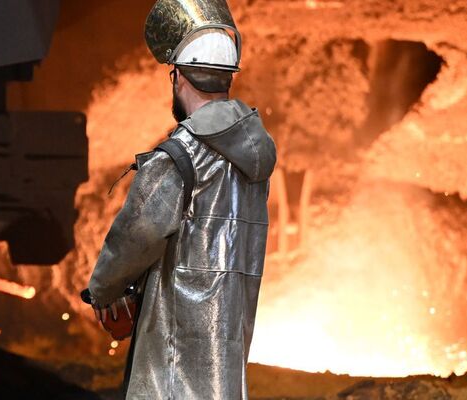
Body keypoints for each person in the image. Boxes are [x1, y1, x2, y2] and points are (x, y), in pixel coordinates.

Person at [85, 0, 276, 398]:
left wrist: (103, 289)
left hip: (172, 362)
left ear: (179, 78)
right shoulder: (254, 156)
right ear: (227, 78)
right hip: (227, 351)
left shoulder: (178, 156)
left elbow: (135, 236)